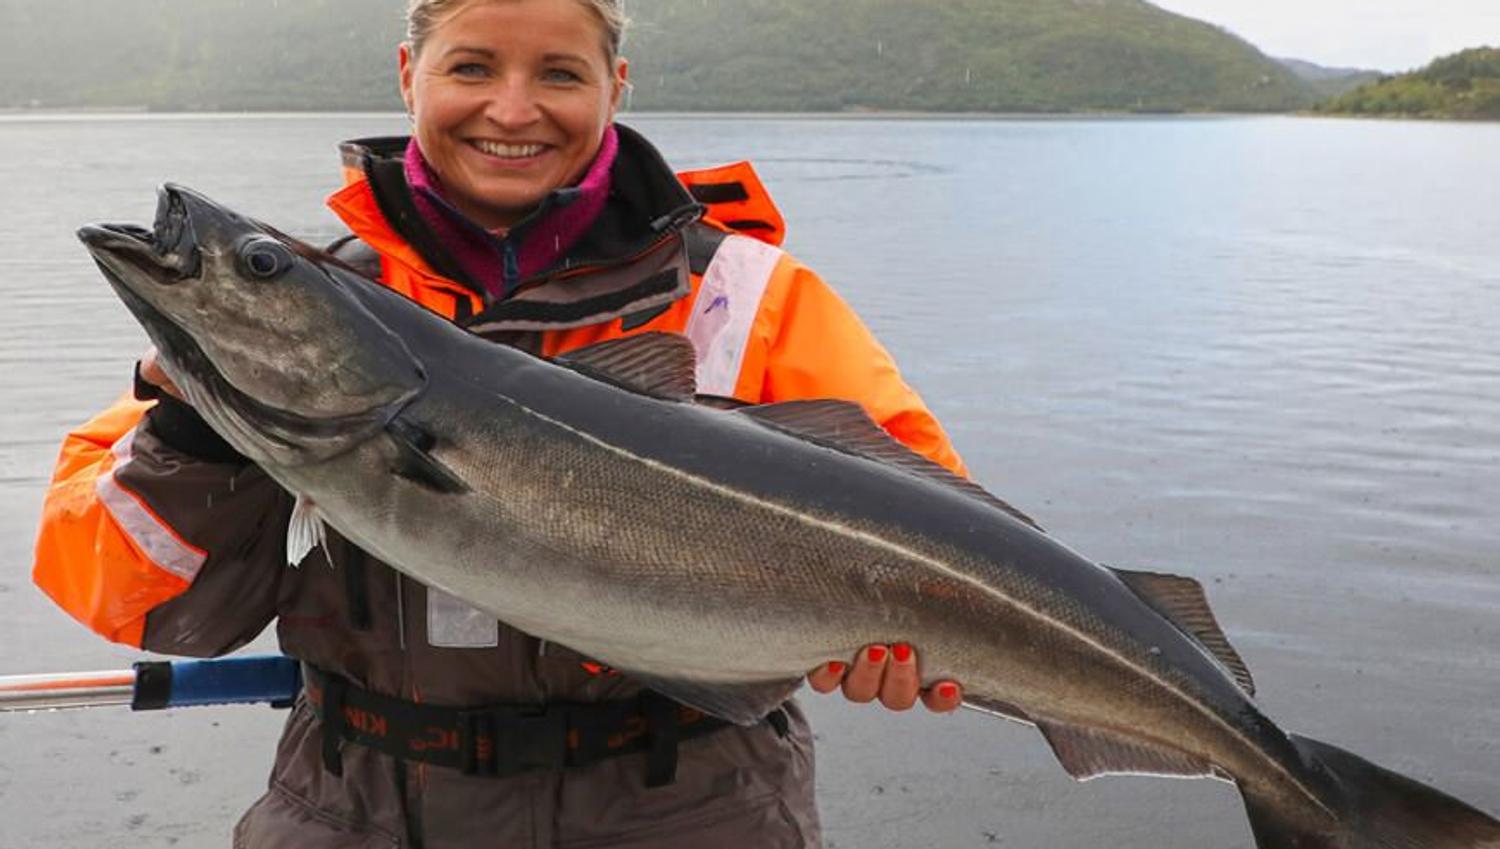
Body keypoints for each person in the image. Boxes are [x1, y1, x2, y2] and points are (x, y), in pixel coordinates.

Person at [33, 1, 970, 845]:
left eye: (559, 73)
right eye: (471, 66)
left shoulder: (745, 295)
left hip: (693, 811)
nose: (512, 111)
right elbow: (135, 601)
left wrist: (894, 639)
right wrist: (193, 431)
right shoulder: (316, 319)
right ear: (409, 75)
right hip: (362, 811)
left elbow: (938, 528)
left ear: (617, 85)